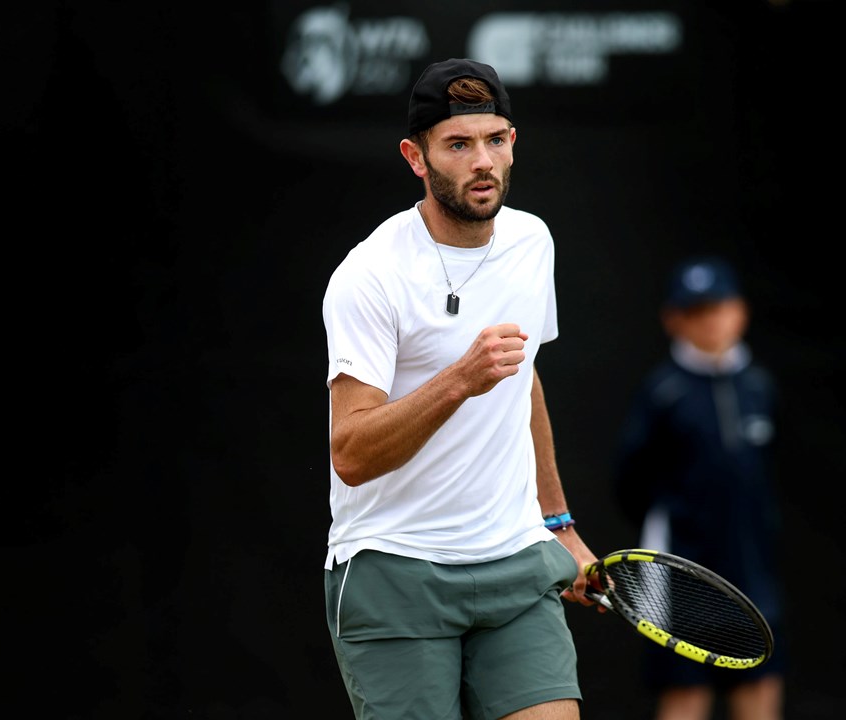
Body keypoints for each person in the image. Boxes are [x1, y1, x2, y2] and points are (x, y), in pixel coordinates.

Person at [320, 58, 601, 720]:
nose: (483, 161)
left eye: (496, 139)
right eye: (458, 144)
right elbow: (352, 452)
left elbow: (520, 378)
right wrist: (458, 380)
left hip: (513, 563)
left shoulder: (532, 242)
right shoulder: (370, 275)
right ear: (415, 158)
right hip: (394, 571)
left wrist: (557, 525)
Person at [612, 256, 786, 720]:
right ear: (674, 320)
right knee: (685, 694)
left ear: (741, 312)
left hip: (752, 574)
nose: (711, 321)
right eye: (697, 311)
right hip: (681, 575)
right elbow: (631, 483)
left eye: (720, 307)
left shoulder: (759, 386)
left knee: (760, 686)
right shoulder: (662, 393)